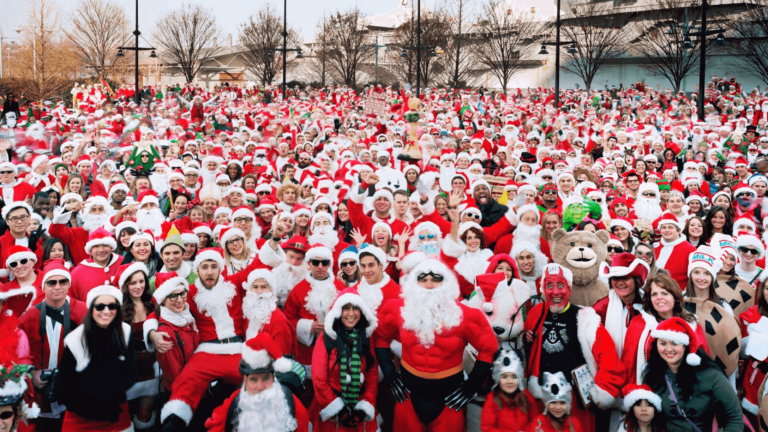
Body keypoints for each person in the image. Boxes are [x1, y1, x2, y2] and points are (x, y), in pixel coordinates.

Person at [373, 259, 498, 431]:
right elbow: (380, 337)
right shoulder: (397, 309)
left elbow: (489, 347)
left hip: (449, 398)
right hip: (408, 396)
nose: (429, 285)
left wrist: (470, 387)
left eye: (436, 279)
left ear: (447, 283)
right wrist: (390, 376)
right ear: (413, 283)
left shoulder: (466, 315)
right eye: (423, 279)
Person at [523, 263, 625, 430]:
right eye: (550, 286)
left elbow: (608, 357)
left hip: (575, 402)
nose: (555, 291)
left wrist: (602, 391)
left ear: (569, 290)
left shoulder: (585, 319)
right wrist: (528, 341)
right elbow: (531, 353)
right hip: (542, 397)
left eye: (560, 285)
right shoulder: (536, 313)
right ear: (543, 290)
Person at [54, 284, 138, 431]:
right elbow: (63, 388)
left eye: (112, 306)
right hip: (82, 418)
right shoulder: (75, 340)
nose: (106, 311)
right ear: (91, 309)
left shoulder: (125, 332)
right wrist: (91, 408)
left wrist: (110, 399)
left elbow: (131, 373)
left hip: (116, 414)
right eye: (100, 306)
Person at [17, 259, 86, 431]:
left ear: (69, 284)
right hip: (39, 393)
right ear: (43, 286)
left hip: (73, 389)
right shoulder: (29, 316)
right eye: (51, 282)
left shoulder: (83, 311)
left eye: (63, 281)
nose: (57, 287)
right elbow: (16, 352)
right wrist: (31, 372)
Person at [642, 317, 743, 431]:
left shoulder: (710, 374)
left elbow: (734, 417)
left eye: (675, 343)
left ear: (685, 346)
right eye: (663, 343)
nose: (668, 349)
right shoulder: (653, 375)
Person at [204, 334, 309, 432]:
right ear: (245, 381)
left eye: (265, 378)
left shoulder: (291, 403)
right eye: (253, 380)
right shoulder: (233, 403)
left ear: (273, 378)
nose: (260, 387)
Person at [311, 288, 379, 431]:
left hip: (359, 408)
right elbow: (319, 379)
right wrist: (340, 411)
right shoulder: (327, 338)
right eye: (346, 308)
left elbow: (372, 375)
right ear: (337, 312)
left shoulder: (366, 337)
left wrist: (364, 407)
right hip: (333, 412)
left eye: (355, 308)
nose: (351, 313)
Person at [114, 262, 158, 430]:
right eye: (133, 283)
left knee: (145, 415)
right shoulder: (117, 309)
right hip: (127, 367)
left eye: (141, 281)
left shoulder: (152, 303)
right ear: (125, 285)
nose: (138, 286)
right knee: (122, 415)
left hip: (150, 366)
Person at [592, 253, 649, 356]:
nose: (620, 282)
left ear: (636, 281)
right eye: (615, 278)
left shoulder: (649, 304)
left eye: (625, 278)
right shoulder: (600, 309)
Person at [480, 350, 540, 432]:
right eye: (504, 377)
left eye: (514, 377)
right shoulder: (492, 400)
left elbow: (537, 420)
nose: (509, 381)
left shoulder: (526, 396)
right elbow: (487, 427)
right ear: (497, 378)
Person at [68, 228, 124, 301]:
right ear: (90, 250)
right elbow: (71, 302)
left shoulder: (123, 263)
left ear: (111, 247)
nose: (101, 250)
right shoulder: (77, 273)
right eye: (96, 246)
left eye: (105, 245)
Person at [653, 213, 696, 290]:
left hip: (678, 292)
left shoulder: (689, 249)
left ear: (679, 231)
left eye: (670, 227)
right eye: (664, 227)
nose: (667, 230)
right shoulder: (655, 247)